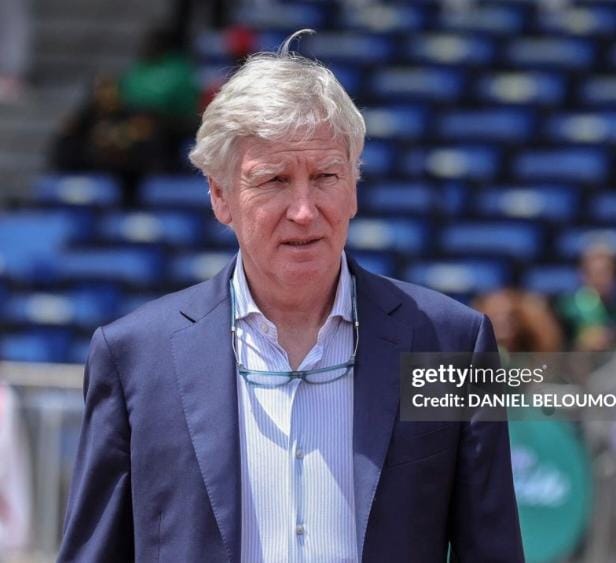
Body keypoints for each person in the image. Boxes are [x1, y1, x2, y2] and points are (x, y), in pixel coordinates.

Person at [58, 31, 524, 562]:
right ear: (220, 195)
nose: (304, 211)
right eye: (275, 180)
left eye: (325, 176)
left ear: (354, 187)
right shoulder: (134, 358)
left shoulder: (452, 344)